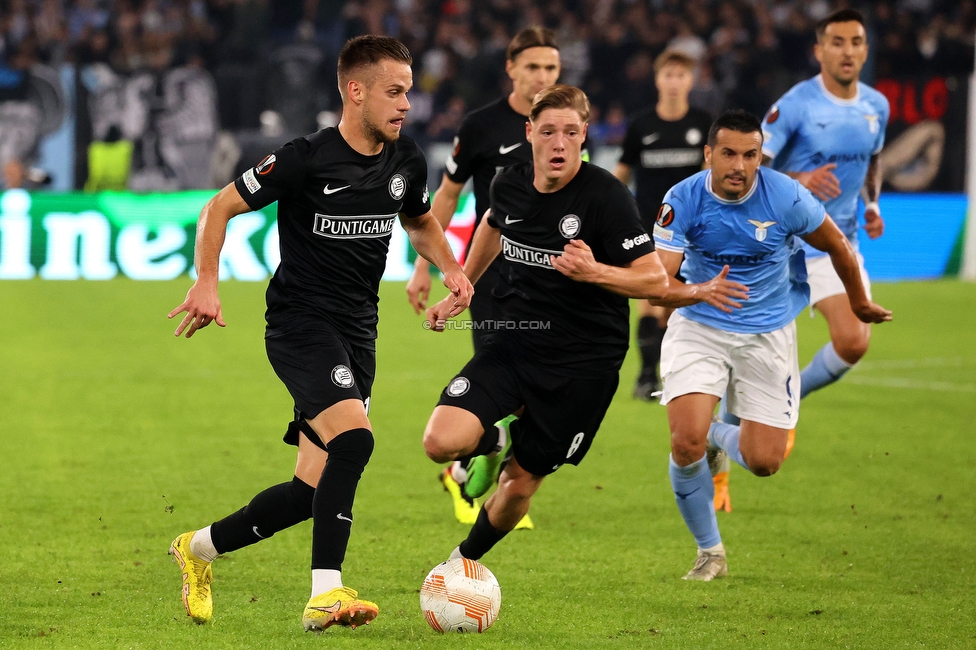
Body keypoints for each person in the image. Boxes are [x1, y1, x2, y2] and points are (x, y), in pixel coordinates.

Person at [166, 35, 473, 631]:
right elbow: (218, 207)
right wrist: (208, 280)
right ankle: (325, 596)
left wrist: (452, 267)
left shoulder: (405, 159)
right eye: (394, 91)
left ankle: (196, 549)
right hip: (300, 325)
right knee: (354, 442)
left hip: (360, 333)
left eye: (408, 92)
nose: (407, 104)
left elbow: (419, 219)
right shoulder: (305, 157)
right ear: (354, 92)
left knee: (311, 491)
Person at [421, 85, 669, 567]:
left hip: (583, 366)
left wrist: (594, 270)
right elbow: (492, 223)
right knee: (440, 442)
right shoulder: (509, 182)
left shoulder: (606, 198)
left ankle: (461, 562)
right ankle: (492, 442)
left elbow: (654, 279)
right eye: (549, 132)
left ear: (584, 137)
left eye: (571, 133)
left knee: (519, 484)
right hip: (515, 343)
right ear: (529, 132)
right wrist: (463, 286)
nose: (559, 144)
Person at [650, 110, 891, 581]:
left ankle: (719, 434)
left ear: (760, 156)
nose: (739, 165)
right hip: (700, 325)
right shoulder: (683, 199)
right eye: (728, 154)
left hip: (768, 332)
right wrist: (696, 291)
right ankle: (709, 552)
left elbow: (839, 246)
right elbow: (661, 280)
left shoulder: (785, 196)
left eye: (750, 155)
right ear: (709, 155)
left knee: (764, 462)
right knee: (684, 442)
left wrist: (859, 302)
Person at [404, 27, 564, 521]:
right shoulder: (481, 126)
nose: (542, 77)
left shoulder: (561, 125)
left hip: (551, 278)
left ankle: (473, 465)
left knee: (546, 392)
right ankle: (500, 483)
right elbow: (447, 196)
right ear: (511, 68)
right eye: (533, 67)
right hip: (491, 275)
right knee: (510, 384)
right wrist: (424, 265)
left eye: (551, 69)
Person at [761, 9, 890, 402]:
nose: (847, 51)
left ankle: (788, 399)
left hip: (836, 244)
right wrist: (801, 180)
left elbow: (873, 161)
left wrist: (872, 206)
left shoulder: (877, 106)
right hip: (781, 246)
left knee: (853, 343)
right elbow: (753, 167)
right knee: (752, 357)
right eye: (837, 43)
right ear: (820, 51)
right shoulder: (796, 104)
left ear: (866, 51)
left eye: (855, 42)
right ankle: (722, 430)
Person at [614, 50, 713, 402]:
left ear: (691, 80)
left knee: (672, 305)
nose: (674, 82)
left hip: (692, 231)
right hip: (648, 228)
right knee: (650, 299)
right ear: (658, 80)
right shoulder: (641, 125)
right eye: (668, 75)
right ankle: (645, 376)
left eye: (681, 75)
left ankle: (664, 374)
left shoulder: (704, 124)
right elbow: (621, 174)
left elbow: (711, 177)